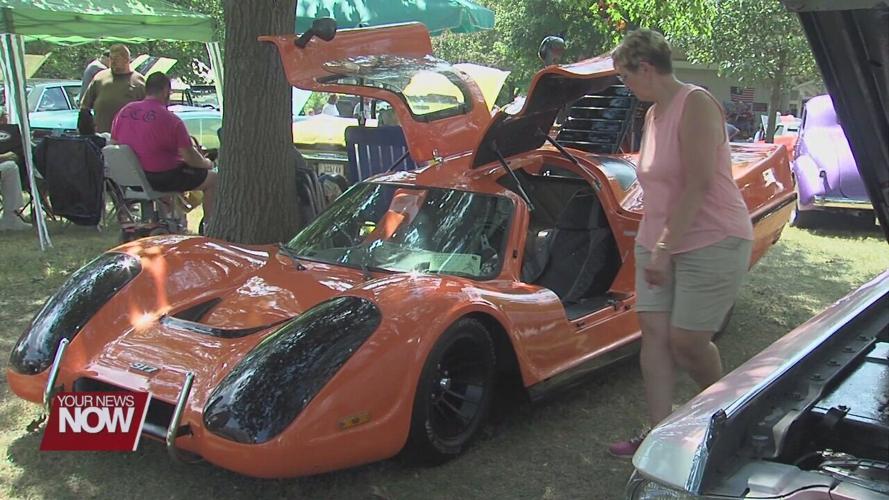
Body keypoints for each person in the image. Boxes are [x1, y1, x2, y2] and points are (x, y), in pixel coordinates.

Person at [607, 29, 754, 457]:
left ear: (647, 69)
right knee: (654, 336)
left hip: (712, 238)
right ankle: (660, 437)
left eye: (627, 78)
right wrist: (655, 246)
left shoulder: (696, 104)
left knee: (686, 342)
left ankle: (730, 414)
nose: (626, 87)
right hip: (658, 241)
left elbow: (698, 184)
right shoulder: (653, 114)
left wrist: (667, 249)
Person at [111, 72, 217, 222]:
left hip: (130, 179)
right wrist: (208, 163)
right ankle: (210, 226)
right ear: (166, 91)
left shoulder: (124, 112)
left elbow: (114, 144)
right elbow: (190, 158)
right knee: (214, 179)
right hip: (161, 178)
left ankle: (170, 218)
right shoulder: (171, 120)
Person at [81, 44, 146, 134]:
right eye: (111, 59)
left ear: (126, 59)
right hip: (101, 136)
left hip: (129, 137)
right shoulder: (100, 77)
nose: (113, 62)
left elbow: (149, 110)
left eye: (116, 59)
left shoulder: (138, 81)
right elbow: (85, 106)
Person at [0, 109, 30, 231]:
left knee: (11, 167)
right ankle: (11, 218)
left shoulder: (11, 133)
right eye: (3, 118)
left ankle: (11, 217)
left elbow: (16, 154)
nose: (5, 121)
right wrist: (4, 156)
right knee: (10, 167)